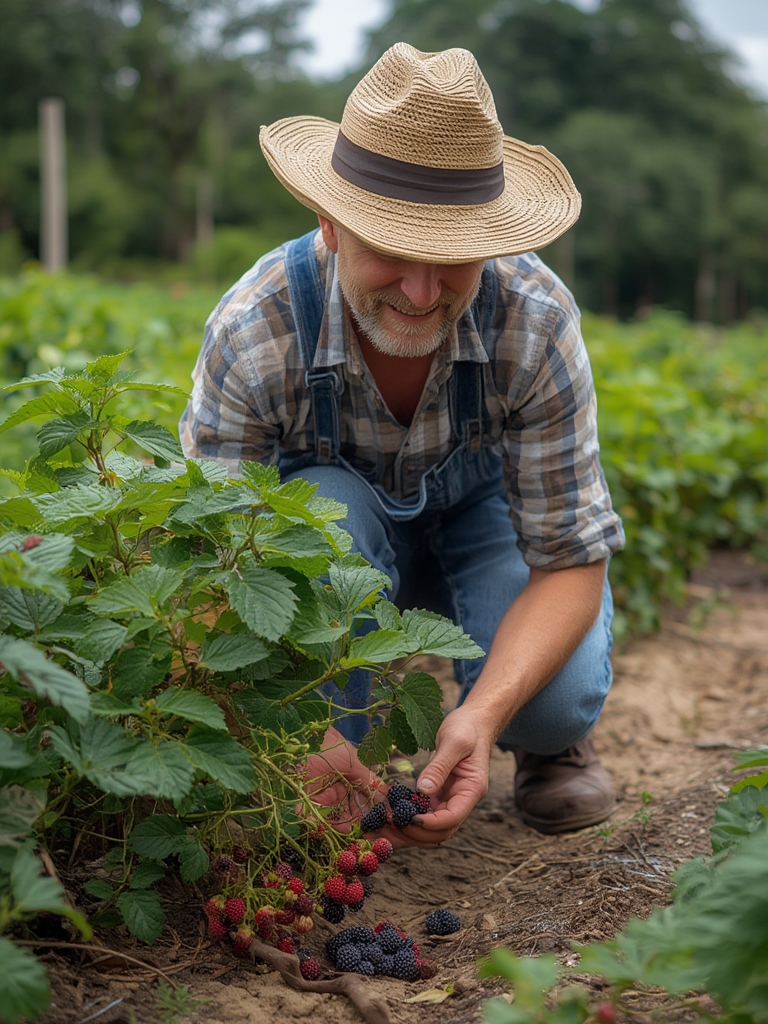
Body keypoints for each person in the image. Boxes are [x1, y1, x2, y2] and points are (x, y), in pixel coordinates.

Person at [180, 43, 625, 846]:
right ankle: (325, 752)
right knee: (324, 513)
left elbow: (569, 558)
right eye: (389, 249)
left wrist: (485, 713)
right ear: (330, 223)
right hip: (336, 538)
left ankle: (545, 747)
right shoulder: (256, 331)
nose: (422, 291)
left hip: (485, 524)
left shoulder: (535, 321)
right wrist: (301, 733)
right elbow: (209, 571)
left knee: (551, 701)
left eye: (452, 256)